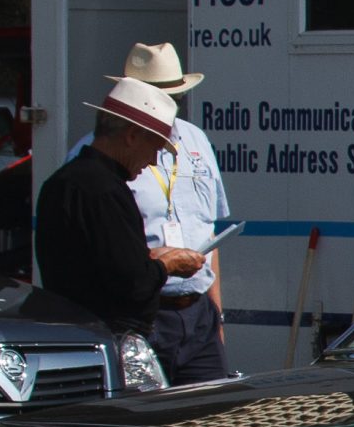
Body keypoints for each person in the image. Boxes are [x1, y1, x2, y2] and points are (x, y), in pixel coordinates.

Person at [69, 44, 232, 384]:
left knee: (209, 416)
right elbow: (94, 251)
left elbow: (209, 233)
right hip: (141, 314)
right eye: (156, 96)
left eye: (174, 96)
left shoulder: (196, 141)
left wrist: (217, 314)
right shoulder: (98, 157)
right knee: (146, 420)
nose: (165, 105)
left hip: (197, 311)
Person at [36, 78, 202, 343]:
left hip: (77, 329)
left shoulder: (63, 181)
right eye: (154, 149)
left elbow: (99, 260)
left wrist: (146, 258)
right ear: (132, 136)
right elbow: (132, 283)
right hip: (112, 335)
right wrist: (166, 264)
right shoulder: (104, 191)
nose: (151, 162)